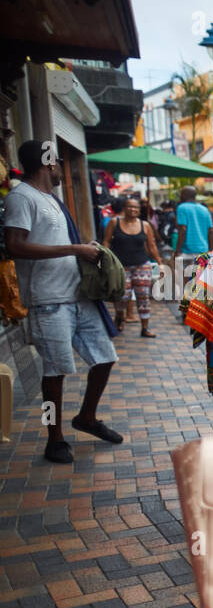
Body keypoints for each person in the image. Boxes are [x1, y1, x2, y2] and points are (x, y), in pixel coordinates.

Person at [4, 140, 123, 464]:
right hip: (48, 302)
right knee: (53, 374)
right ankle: (53, 437)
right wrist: (75, 250)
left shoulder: (51, 199)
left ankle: (86, 417)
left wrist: (85, 249)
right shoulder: (21, 197)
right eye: (57, 161)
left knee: (104, 358)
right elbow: (15, 246)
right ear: (47, 163)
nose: (61, 167)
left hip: (77, 297)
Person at [104, 196, 164, 337]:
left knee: (143, 296)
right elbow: (106, 242)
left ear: (139, 210)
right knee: (122, 297)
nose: (133, 209)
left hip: (142, 265)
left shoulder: (145, 225)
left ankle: (145, 328)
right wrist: (105, 260)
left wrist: (160, 263)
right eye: (129, 207)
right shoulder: (114, 222)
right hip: (120, 267)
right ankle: (119, 317)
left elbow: (152, 246)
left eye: (136, 207)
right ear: (124, 209)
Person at [174, 186, 213, 286]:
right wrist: (211, 250)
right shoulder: (204, 209)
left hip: (187, 251)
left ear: (185, 195)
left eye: (182, 194)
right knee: (201, 281)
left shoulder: (182, 208)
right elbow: (211, 230)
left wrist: (177, 251)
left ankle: (188, 301)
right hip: (203, 250)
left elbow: (182, 230)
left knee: (187, 282)